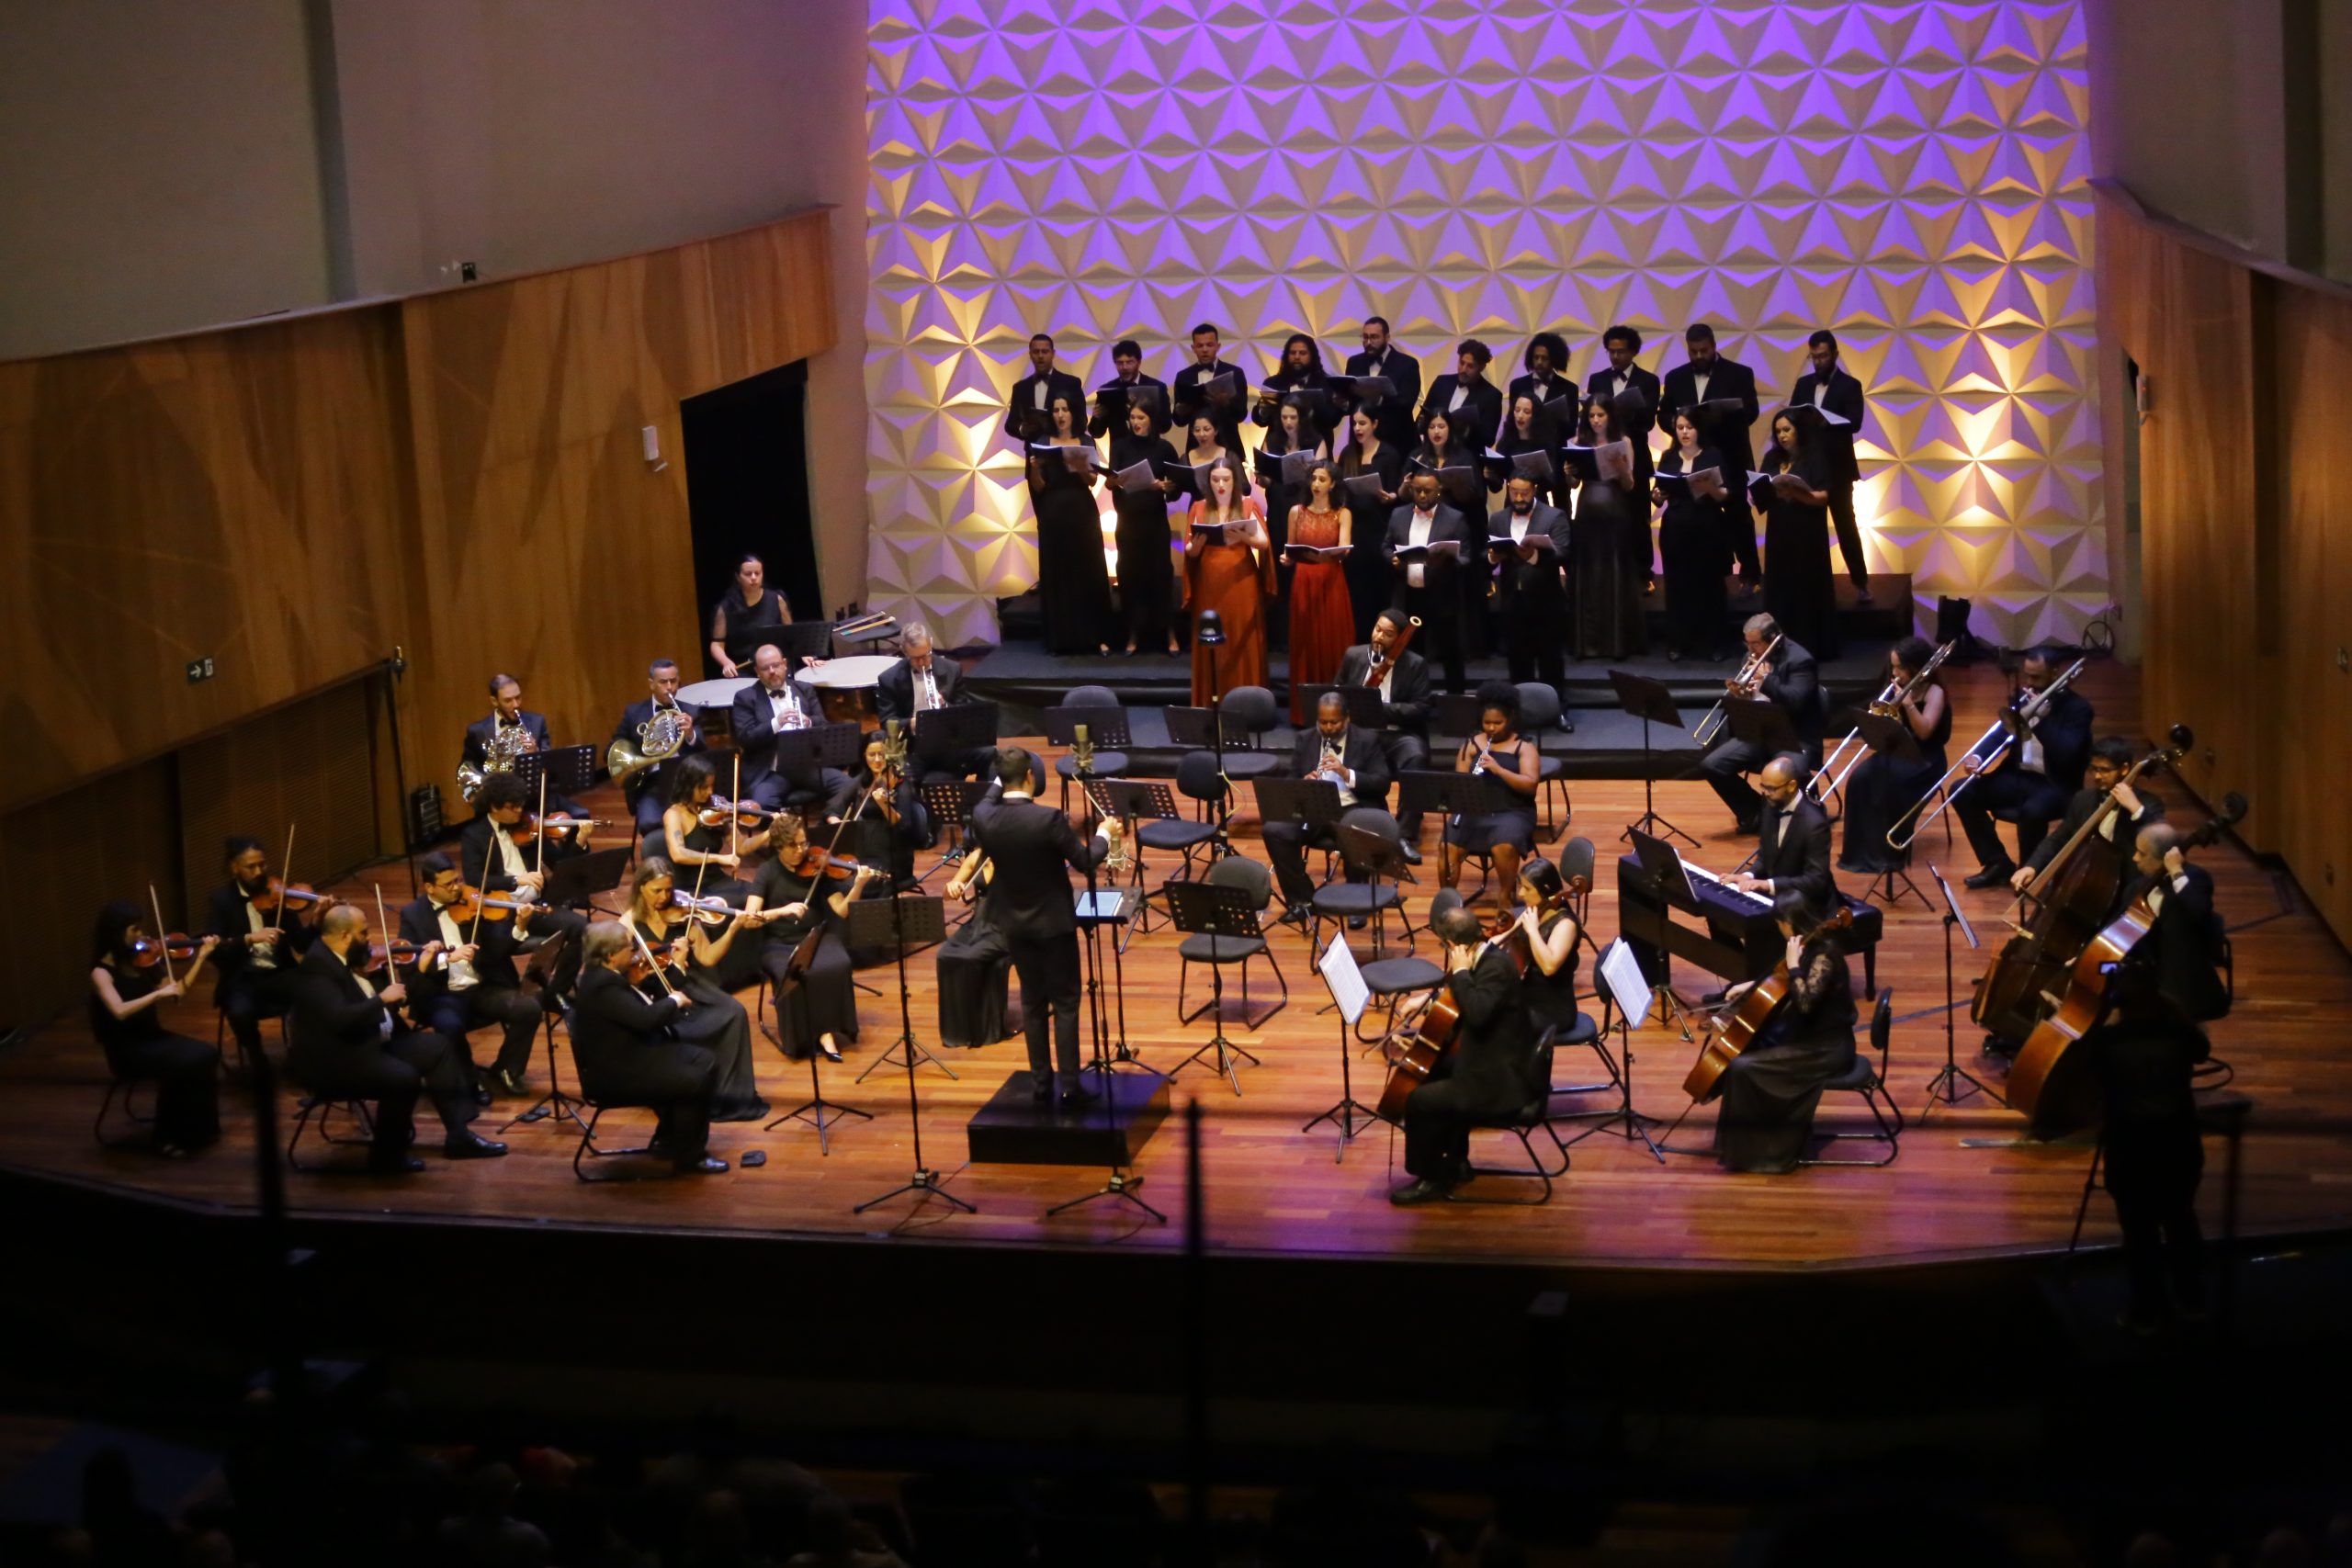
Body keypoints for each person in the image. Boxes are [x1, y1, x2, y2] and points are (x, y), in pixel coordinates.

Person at [287, 903, 503, 1171]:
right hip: (335, 1058)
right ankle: (387, 1156)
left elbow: (374, 1000)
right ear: (344, 936)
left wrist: (403, 977)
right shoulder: (316, 968)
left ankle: (459, 1136)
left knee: (438, 1047)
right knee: (403, 1078)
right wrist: (381, 999)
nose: (369, 941)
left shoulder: (349, 958)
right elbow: (338, 1019)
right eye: (363, 934)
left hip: (365, 1042)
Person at [970, 748, 1125, 1105]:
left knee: (1033, 1003)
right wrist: (1103, 832)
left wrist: (1002, 775)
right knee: (1066, 1003)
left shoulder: (984, 816)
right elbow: (1086, 861)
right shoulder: (1048, 819)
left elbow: (993, 793)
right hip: (1054, 926)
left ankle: (1042, 1084)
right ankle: (1070, 1085)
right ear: (1030, 777)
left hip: (1013, 924)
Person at [2075, 961, 2211, 1330]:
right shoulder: (2180, 1032)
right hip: (2179, 1142)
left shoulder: (2108, 1041)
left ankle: (2147, 1309)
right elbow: (2201, 1048)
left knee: (2138, 1232)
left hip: (2130, 1146)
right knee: (2182, 1220)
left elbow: (2085, 1077)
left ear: (2119, 1000)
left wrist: (2098, 1015)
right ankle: (2193, 1300)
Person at [1389, 904, 1540, 1205]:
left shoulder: (1495, 967)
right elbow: (1470, 1006)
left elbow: (1478, 1012)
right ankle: (1456, 1163)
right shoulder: (1487, 958)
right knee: (1436, 1072)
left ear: (1452, 945)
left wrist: (1458, 972)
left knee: (1418, 1100)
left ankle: (1429, 1177)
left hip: (1497, 1083)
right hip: (1491, 1063)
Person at [1709, 897, 1858, 1174]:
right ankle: (1750, 1146)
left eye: (1780, 923)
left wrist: (1793, 967)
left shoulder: (1825, 956)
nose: (1779, 928)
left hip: (1826, 1050)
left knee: (1743, 1067)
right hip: (1808, 1038)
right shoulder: (1807, 945)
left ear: (1791, 923)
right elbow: (1782, 982)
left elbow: (1804, 1002)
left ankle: (1765, 1154)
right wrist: (1751, 985)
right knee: (1749, 1054)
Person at [569, 920, 728, 1175]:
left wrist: (647, 982)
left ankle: (668, 1138)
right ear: (611, 955)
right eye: (628, 949)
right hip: (618, 1072)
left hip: (630, 1055)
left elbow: (637, 1006)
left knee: (705, 1060)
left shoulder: (604, 976)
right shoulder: (602, 986)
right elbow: (645, 1020)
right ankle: (689, 1156)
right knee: (695, 1079)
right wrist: (675, 1001)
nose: (634, 953)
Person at [618, 859, 767, 1118]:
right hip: (657, 992)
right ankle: (689, 1092)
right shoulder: (628, 922)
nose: (665, 897)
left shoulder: (684, 914)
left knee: (734, 1012)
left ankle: (731, 1094)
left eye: (668, 889)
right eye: (657, 891)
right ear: (641, 888)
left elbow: (708, 957)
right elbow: (622, 971)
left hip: (690, 984)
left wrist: (732, 929)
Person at [398, 852, 549, 1098]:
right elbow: (409, 963)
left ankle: (506, 1069)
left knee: (529, 1007)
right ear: (429, 887)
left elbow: (498, 950)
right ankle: (468, 1078)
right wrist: (446, 958)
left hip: (480, 987)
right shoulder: (413, 915)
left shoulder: (472, 904)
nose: (457, 888)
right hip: (442, 992)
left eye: (457, 880)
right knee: (450, 1025)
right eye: (448, 885)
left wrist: (520, 926)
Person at [88, 903, 222, 1155]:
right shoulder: (101, 973)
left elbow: (178, 991)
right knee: (180, 1065)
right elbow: (119, 1010)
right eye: (135, 930)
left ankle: (200, 1129)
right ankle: (164, 1138)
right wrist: (156, 995)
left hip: (153, 1037)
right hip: (127, 1050)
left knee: (207, 1054)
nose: (142, 936)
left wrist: (202, 957)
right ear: (116, 933)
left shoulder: (144, 961)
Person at [1954, 647, 2093, 886]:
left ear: (2055, 673)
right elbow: (2001, 732)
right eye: (2027, 675)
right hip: (2017, 775)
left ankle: (2030, 870)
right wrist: (1978, 757)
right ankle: (1997, 862)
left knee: (2033, 811)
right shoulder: (2022, 697)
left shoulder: (2078, 709)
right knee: (1961, 790)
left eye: (2036, 677)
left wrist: (2039, 720)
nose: (2030, 683)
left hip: (2055, 784)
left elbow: (2067, 755)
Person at [748, 812, 879, 1065]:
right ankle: (810, 1035)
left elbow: (842, 910)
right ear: (778, 846)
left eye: (804, 843)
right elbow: (751, 918)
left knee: (838, 964)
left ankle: (828, 1029)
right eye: (794, 846)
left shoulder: (818, 867)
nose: (801, 850)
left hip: (816, 936)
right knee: (798, 972)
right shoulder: (767, 871)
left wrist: (859, 885)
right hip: (779, 943)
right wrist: (781, 911)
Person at [1265, 691, 1395, 919]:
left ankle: (1358, 901)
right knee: (1274, 831)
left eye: (1333, 722)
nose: (1327, 728)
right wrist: (1302, 783)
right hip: (1313, 807)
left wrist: (1347, 774)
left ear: (1346, 719)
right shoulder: (1305, 739)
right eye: (1322, 722)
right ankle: (1302, 900)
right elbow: (1291, 779)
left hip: (1351, 807)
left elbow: (1382, 782)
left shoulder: (1366, 740)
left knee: (1356, 829)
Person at [1697, 615, 1826, 831]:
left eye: (1755, 643)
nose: (1751, 649)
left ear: (1774, 638)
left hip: (1794, 737)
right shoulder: (1753, 655)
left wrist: (1766, 681)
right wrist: (1745, 696)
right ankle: (1756, 813)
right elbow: (1755, 697)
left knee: (1791, 770)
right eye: (1747, 643)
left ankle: (1806, 810)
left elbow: (1796, 702)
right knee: (1712, 765)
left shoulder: (1800, 661)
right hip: (1761, 732)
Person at [1658, 322, 1763, 588]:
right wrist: (1677, 422)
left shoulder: (1739, 374)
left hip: (1730, 454)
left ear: (1714, 346)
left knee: (1739, 514)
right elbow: (1663, 414)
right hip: (1690, 455)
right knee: (1694, 512)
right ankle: (1702, 573)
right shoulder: (1675, 377)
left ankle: (1750, 574)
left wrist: (1722, 417)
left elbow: (1751, 412)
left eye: (1703, 351)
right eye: (1693, 352)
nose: (1699, 357)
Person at [1837, 637, 1952, 874]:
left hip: (1925, 759)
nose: (1895, 673)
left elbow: (1924, 732)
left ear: (1915, 667)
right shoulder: (1895, 689)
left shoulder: (1935, 692)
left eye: (1900, 667)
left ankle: (1886, 851)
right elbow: (1883, 728)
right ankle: (1859, 852)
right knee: (1859, 779)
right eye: (1893, 666)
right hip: (1897, 751)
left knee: (1892, 784)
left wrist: (1908, 704)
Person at [205, 835, 324, 1066]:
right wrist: (249, 939)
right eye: (251, 867)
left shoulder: (278, 894)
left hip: (280, 974)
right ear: (234, 867)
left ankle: (306, 1054)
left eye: (262, 864)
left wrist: (316, 922)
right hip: (241, 977)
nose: (259, 872)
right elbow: (215, 949)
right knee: (239, 1012)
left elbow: (301, 944)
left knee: (319, 992)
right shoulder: (221, 901)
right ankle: (257, 1057)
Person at [2009, 735, 2164, 896]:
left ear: (2124, 769)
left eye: (2104, 770)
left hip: (2124, 887)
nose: (2097, 776)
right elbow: (2059, 838)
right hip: (2082, 877)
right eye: (2094, 769)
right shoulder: (2083, 799)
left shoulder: (2148, 803)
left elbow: (2159, 843)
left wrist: (2136, 809)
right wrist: (2031, 866)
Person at [1336, 610, 1434, 845]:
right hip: (1361, 734)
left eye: (1388, 634)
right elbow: (1337, 692)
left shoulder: (1414, 664)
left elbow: (1421, 708)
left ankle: (1405, 833)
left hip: (1398, 734)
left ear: (1400, 638)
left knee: (1415, 756)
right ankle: (1353, 822)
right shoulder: (1354, 655)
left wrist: (1378, 707)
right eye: (1377, 629)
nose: (1379, 637)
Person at [458, 773, 591, 946]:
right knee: (494, 948)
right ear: (494, 807)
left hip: (536, 907)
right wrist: (516, 880)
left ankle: (562, 975)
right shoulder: (474, 835)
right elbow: (474, 879)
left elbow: (560, 864)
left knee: (583, 929)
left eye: (520, 804)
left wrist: (580, 840)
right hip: (502, 911)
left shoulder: (529, 826)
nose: (520, 810)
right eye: (513, 807)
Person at [1025, 392, 1113, 656]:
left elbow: (1092, 481)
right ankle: (1060, 639)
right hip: (1053, 510)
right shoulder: (1042, 441)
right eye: (1055, 410)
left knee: (1089, 570)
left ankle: (1097, 637)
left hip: (1081, 511)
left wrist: (1080, 467)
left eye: (1065, 409)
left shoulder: (1085, 440)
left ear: (1073, 412)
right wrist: (1034, 468)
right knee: (1058, 572)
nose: (1061, 415)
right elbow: (1038, 486)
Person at [1183, 458, 1273, 704]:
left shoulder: (1247, 505)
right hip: (1209, 581)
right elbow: (1190, 551)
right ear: (1208, 482)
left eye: (1226, 479)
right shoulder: (1200, 507)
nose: (1221, 485)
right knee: (1211, 636)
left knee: (1240, 636)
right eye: (1215, 480)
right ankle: (1210, 700)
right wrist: (1195, 547)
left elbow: (1264, 543)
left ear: (1235, 480)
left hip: (1241, 580)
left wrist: (1245, 536)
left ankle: (1247, 702)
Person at [1789, 328, 1871, 598]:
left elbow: (1855, 422)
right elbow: (1792, 417)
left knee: (1846, 526)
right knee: (1810, 528)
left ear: (1835, 354)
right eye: (1814, 357)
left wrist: (1827, 421)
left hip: (1837, 468)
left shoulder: (1850, 385)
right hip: (1809, 468)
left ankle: (1860, 583)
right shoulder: (1803, 385)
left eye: (1823, 356)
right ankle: (1814, 584)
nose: (1818, 362)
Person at [1441, 683, 1541, 901]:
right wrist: (1466, 784)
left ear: (1510, 719)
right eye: (1487, 723)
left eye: (1498, 723)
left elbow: (1530, 786)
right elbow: (1458, 783)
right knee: (1446, 846)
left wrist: (1499, 770)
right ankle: (1447, 902)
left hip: (1512, 811)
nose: (1492, 728)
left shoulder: (1523, 747)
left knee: (1503, 846)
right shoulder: (1470, 745)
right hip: (1474, 811)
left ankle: (1505, 897)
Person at [1566, 393, 1648, 660]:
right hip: (1588, 512)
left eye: (1600, 415)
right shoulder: (1578, 442)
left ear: (1610, 416)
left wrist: (1622, 468)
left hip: (1615, 512)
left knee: (1614, 573)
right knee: (1589, 575)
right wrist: (1569, 472)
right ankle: (1588, 643)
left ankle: (1616, 643)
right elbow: (1573, 485)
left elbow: (1629, 485)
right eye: (1591, 416)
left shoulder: (1623, 441)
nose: (1596, 420)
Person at [2121, 823, 2230, 1021]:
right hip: (2146, 973)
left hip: (2183, 980)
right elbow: (2119, 928)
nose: (2134, 858)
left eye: (2142, 853)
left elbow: (2198, 910)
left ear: (2165, 858)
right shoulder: (2136, 888)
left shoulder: (2195, 879)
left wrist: (2176, 872)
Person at [1652, 411, 1736, 662]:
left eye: (1689, 427)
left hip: (1707, 526)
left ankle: (1714, 643)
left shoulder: (1713, 455)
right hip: (1676, 527)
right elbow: (1658, 495)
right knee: (1678, 587)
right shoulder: (1668, 457)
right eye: (1680, 427)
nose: (1684, 432)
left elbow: (1725, 495)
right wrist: (1657, 497)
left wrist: (1710, 487)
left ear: (1698, 429)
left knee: (1710, 586)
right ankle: (1679, 642)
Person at [727, 643, 851, 812]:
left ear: (784, 664)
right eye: (765, 668)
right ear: (757, 671)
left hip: (806, 766)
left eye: (776, 665)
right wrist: (776, 723)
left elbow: (823, 724)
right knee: (761, 807)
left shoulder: (804, 689)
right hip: (771, 771)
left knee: (848, 786)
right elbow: (746, 738)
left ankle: (829, 820)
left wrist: (809, 722)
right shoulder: (745, 698)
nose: (772, 671)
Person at [1757, 407, 1839, 658]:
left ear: (1798, 431)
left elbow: (1824, 496)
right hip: (1780, 529)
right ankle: (1779, 644)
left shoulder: (1814, 456)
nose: (1782, 436)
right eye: (1778, 431)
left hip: (1807, 532)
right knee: (1780, 585)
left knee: (1806, 585)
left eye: (1787, 430)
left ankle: (1811, 645)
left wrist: (1796, 493)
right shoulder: (1772, 458)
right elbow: (1761, 492)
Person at [1384, 470, 1472, 694]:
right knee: (1410, 653)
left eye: (1427, 491)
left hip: (1441, 595)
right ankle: (1413, 698)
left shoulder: (1455, 518)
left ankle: (1456, 701)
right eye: (1417, 490)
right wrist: (1392, 559)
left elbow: (1467, 557)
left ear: (1439, 490)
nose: (1422, 495)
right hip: (1409, 594)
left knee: (1450, 652)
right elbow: (1385, 546)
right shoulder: (1398, 515)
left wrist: (1447, 559)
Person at [1723, 754, 1837, 924]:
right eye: (1763, 787)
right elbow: (1765, 856)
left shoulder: (1814, 824)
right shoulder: (1770, 806)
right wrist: (1748, 875)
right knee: (1723, 911)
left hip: (1805, 904)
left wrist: (1767, 885)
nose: (1765, 793)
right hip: (1778, 894)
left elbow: (1816, 881)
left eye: (1771, 788)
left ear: (1791, 786)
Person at [1105, 397, 1181, 654]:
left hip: (1155, 521)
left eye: (1141, 418)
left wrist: (1166, 487)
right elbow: (1110, 482)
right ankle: (1133, 634)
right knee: (1130, 577)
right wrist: (1115, 481)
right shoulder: (1120, 446)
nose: (1135, 423)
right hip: (1128, 522)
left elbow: (1175, 489)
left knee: (1160, 575)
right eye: (1133, 418)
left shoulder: (1165, 448)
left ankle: (1169, 633)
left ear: (1152, 420)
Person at [458, 672, 585, 820]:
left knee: (580, 816)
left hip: (532, 798)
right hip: (498, 802)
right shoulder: (477, 731)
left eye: (518, 697)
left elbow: (549, 767)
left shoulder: (537, 722)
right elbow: (468, 767)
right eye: (508, 701)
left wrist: (535, 753)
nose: (516, 705)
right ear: (494, 701)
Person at [1284, 460, 1355, 723]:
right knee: (1305, 643)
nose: (1316, 484)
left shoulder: (1342, 513)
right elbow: (1290, 549)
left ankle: (1336, 712)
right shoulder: (1296, 512)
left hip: (1331, 580)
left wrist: (1340, 551)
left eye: (1322, 479)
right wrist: (1287, 559)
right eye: (1313, 478)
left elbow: (1345, 547)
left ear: (1332, 484)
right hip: (1304, 580)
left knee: (1332, 641)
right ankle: (1303, 712)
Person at [1488, 472, 1569, 691]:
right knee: (1518, 661)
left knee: (1550, 661)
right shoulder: (1498, 519)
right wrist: (1491, 558)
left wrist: (1533, 557)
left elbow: (1563, 552)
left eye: (1524, 493)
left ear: (1534, 490)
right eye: (1514, 492)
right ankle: (1521, 710)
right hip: (1513, 601)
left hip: (1547, 602)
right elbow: (1488, 554)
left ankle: (1556, 708)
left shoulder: (1554, 516)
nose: (1519, 498)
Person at [613, 658, 707, 840]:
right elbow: (614, 748)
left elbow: (703, 753)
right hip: (651, 783)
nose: (670, 687)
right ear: (651, 684)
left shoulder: (691, 712)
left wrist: (690, 734)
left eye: (673, 681)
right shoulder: (633, 712)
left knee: (703, 822)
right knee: (650, 823)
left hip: (685, 782)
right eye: (663, 682)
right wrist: (636, 758)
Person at [1337, 405, 1408, 640]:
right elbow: (1340, 492)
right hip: (1354, 530)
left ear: (1375, 424)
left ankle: (1381, 641)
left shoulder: (1388, 454)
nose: (1357, 428)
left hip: (1379, 528)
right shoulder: (1347, 454)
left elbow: (1397, 492)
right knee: (1357, 591)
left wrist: (1390, 496)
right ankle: (1357, 641)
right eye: (1355, 423)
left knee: (1379, 589)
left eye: (1363, 423)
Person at [937, 847, 1015, 1049]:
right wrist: (952, 886)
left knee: (971, 957)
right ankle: (957, 1030)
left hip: (1007, 927)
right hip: (979, 923)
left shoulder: (1015, 853)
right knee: (944, 954)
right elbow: (947, 895)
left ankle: (979, 1029)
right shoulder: (977, 856)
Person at [835, 730, 933, 888]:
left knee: (851, 886)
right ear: (864, 756)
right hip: (863, 854)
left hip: (892, 858)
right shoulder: (862, 782)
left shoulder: (901, 784)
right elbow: (834, 808)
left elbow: (903, 826)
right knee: (834, 883)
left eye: (882, 754)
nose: (877, 760)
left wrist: (883, 804)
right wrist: (838, 822)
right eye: (871, 755)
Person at [660, 755, 756, 907]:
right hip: (692, 890)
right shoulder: (673, 815)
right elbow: (678, 854)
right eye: (704, 787)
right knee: (737, 903)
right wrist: (718, 858)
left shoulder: (716, 811)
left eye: (712, 786)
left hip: (717, 880)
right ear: (689, 785)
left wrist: (770, 833)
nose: (710, 792)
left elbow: (742, 847)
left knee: (757, 894)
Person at [1509, 858, 1584, 1043]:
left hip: (1551, 1010)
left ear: (1546, 890)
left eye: (1527, 888)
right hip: (1527, 997)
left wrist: (1533, 931)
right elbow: (1507, 939)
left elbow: (1549, 966)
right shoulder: (1535, 912)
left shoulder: (1565, 924)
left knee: (1495, 1025)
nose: (1520, 893)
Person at [1340, 314, 1421, 452]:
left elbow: (1406, 403)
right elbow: (1352, 401)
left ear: (1387, 337)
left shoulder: (1407, 364)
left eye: (1374, 337)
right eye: (1365, 337)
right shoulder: (1354, 362)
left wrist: (1378, 398)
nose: (1368, 342)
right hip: (1360, 442)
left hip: (1396, 442)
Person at [1170, 321, 1248, 453]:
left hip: (1229, 444)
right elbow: (1179, 421)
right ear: (1193, 348)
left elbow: (1241, 415)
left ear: (1218, 346)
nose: (1205, 349)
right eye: (1200, 346)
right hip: (1196, 447)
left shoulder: (1235, 373)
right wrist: (1180, 411)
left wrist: (1225, 403)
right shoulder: (1184, 376)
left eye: (1209, 345)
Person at [707, 552, 789, 677]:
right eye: (748, 574)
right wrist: (726, 662)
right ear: (738, 577)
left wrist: (804, 655)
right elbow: (717, 644)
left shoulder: (777, 600)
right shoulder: (726, 607)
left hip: (773, 667)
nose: (754, 577)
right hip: (744, 670)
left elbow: (790, 633)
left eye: (758, 573)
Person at [1418, 339, 1504, 451]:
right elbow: (1422, 418)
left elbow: (1489, 439)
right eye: (1461, 363)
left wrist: (1466, 427)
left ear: (1482, 367)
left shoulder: (1492, 396)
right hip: (1433, 453)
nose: (1463, 369)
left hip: (1466, 457)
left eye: (1470, 366)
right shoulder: (1441, 383)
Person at [1002, 332, 1084, 445]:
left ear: (1053, 354)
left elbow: (1082, 421)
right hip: (1033, 451)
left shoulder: (1071, 384)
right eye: (1036, 352)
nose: (1040, 356)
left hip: (1062, 452)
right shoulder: (1020, 388)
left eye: (1045, 351)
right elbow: (1011, 424)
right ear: (1030, 354)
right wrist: (1023, 428)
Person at [1085, 337, 1169, 439]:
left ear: (1139, 362)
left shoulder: (1157, 387)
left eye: (1129, 362)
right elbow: (1096, 433)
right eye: (1120, 363)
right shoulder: (1107, 390)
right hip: (1119, 451)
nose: (1124, 367)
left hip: (1150, 449)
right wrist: (1097, 417)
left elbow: (1165, 426)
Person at [1583, 323, 1662, 430]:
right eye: (1611, 351)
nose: (1615, 356)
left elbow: (1648, 423)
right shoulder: (1596, 379)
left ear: (1633, 352)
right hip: (1603, 443)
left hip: (1635, 443)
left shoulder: (1649, 380)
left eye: (1621, 352)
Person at [1508, 331, 1575, 418]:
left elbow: (1571, 426)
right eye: (1536, 357)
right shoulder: (1517, 385)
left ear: (1555, 359)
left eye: (1545, 358)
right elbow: (1511, 420)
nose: (1539, 362)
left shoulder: (1569, 389)